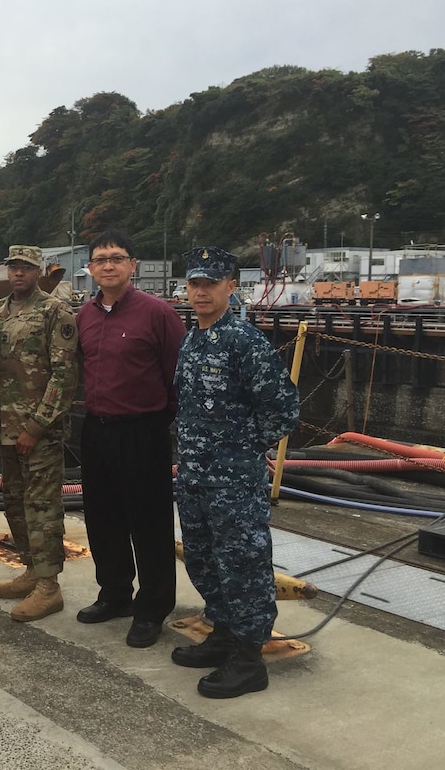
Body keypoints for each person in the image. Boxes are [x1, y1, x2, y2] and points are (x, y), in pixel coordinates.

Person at [172, 246, 299, 698]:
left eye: (211, 283)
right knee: (205, 560)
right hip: (193, 476)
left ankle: (249, 658)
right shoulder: (193, 338)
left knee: (243, 566)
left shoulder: (244, 341)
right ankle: (223, 633)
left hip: (233, 481)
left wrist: (242, 450)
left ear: (231, 287)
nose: (201, 291)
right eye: (194, 283)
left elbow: (283, 410)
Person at [75, 230, 186, 648]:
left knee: (149, 524)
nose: (108, 265)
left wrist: (162, 424)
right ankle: (115, 593)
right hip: (96, 430)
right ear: (90, 268)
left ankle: (152, 607)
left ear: (132, 265)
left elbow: (178, 376)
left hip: (142, 431)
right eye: (100, 259)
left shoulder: (157, 314)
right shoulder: (83, 317)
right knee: (103, 519)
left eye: (117, 258)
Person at [0, 245, 79, 622]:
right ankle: (30, 569)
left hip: (39, 429)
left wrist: (36, 425)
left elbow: (64, 374)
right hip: (6, 427)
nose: (19, 273)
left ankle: (49, 586)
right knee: (15, 503)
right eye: (14, 267)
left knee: (42, 507)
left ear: (39, 271)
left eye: (26, 267)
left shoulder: (56, 311)